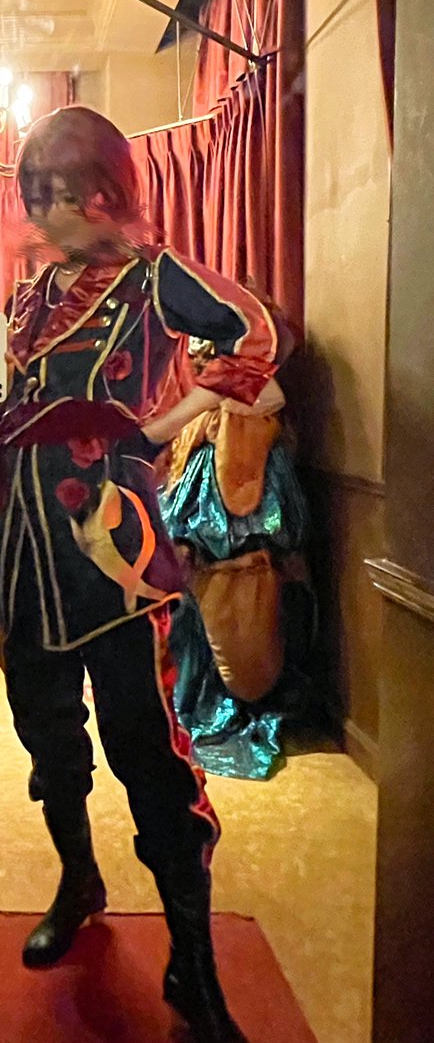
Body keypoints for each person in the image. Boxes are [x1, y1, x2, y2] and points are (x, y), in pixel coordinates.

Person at [0, 106, 278, 1043]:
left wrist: (168, 417)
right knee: (48, 739)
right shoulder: (23, 299)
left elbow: (255, 331)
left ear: (108, 192)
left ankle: (195, 972)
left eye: (64, 194)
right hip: (23, 554)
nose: (48, 214)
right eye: (38, 196)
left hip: (113, 554)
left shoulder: (155, 279)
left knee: (149, 754)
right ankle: (79, 879)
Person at [159, 306, 318, 781]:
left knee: (243, 633)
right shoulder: (205, 412)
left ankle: (234, 703)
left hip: (240, 556)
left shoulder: (253, 406)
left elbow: (248, 503)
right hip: (204, 561)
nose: (198, 357)